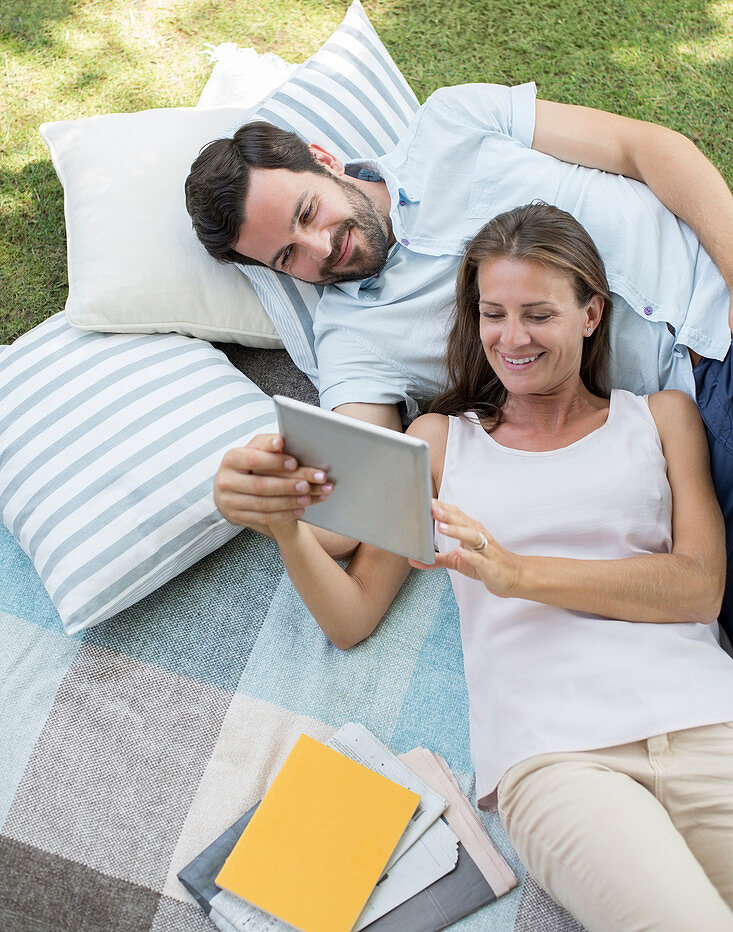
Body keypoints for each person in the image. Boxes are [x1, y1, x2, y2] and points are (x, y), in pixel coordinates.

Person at [231, 204, 733, 932]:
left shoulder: (660, 417)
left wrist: (514, 572)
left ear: (590, 313)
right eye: (492, 313)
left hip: (710, 717)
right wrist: (285, 531)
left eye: (537, 313)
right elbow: (351, 616)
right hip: (558, 758)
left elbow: (697, 588)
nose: (511, 338)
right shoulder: (438, 442)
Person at [185, 83, 733, 632]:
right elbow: (351, 512)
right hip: (699, 409)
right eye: (289, 256)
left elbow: (646, 149)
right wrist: (263, 497)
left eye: (308, 213)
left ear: (323, 160)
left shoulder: (453, 120)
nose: (321, 248)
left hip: (718, 284)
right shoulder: (352, 337)